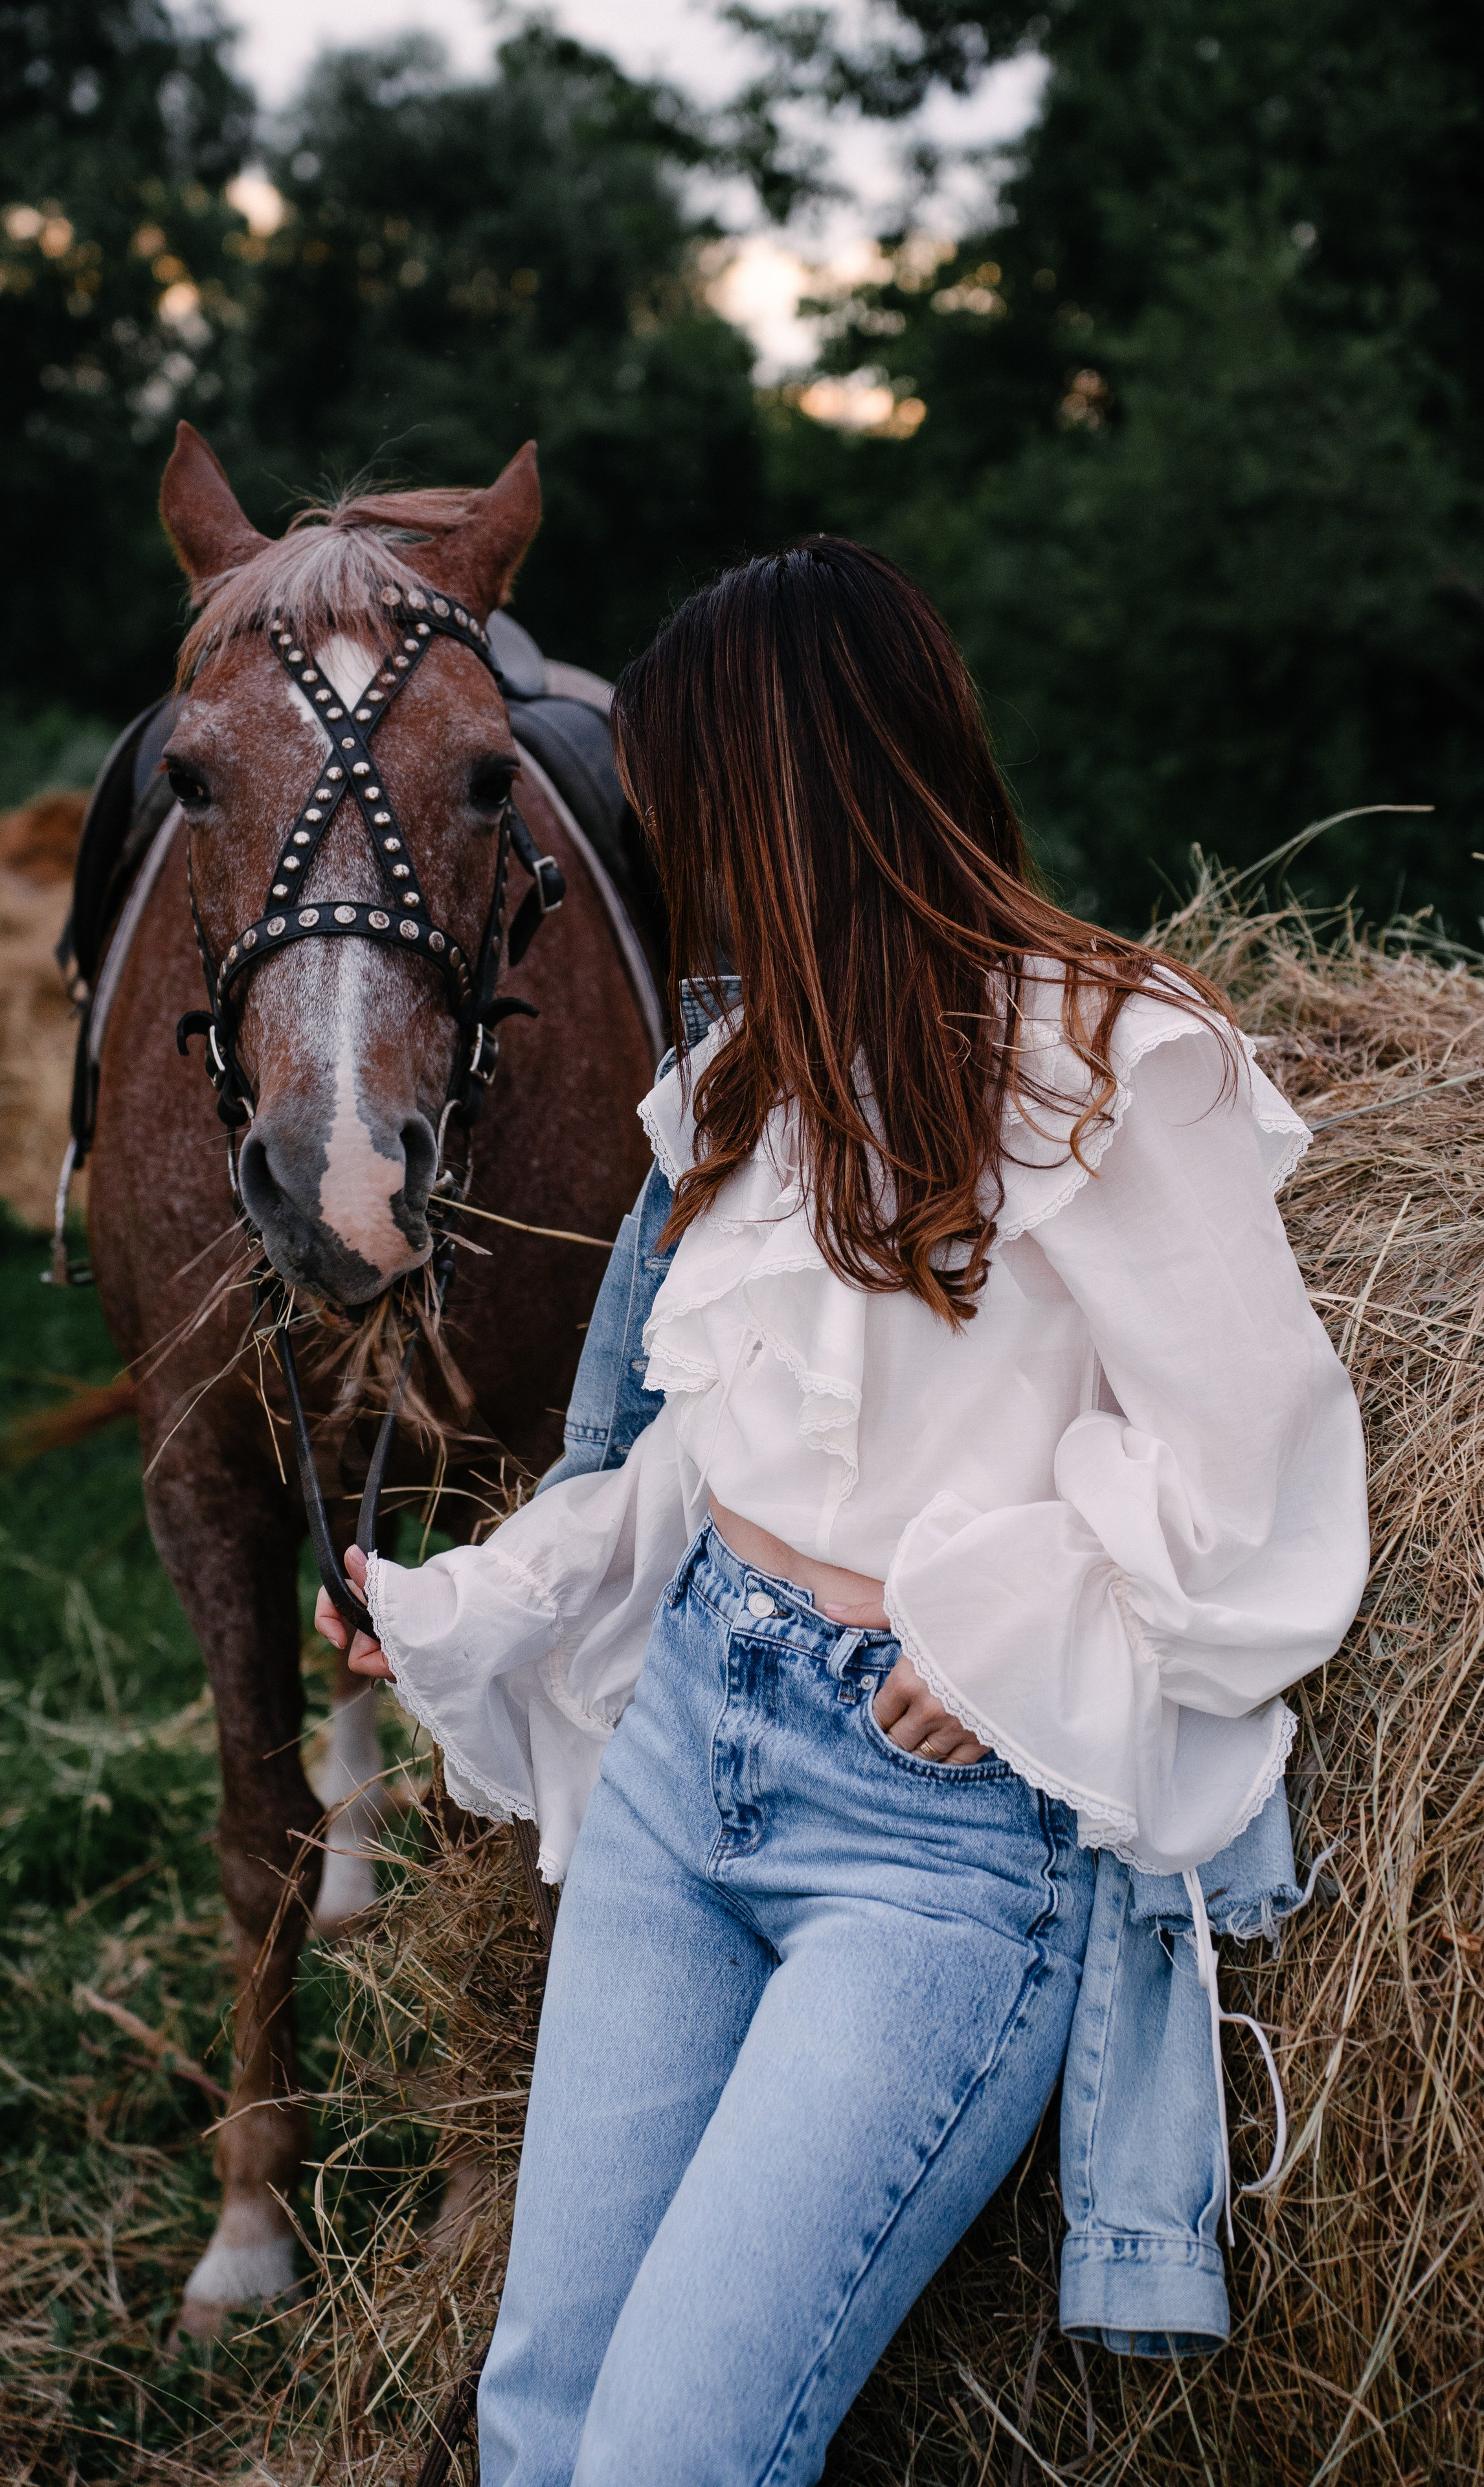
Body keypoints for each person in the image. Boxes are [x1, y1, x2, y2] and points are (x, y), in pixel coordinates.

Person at [316, 539, 1369, 2487]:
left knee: (669, 2459)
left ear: (791, 788)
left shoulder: (1116, 1067)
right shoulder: (744, 1079)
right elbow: (701, 1467)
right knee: (542, 2418)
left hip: (934, 1844)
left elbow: (1257, 1470)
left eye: (693, 798)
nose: (674, 850)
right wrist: (461, 1597)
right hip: (693, 1752)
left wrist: (1028, 1626)